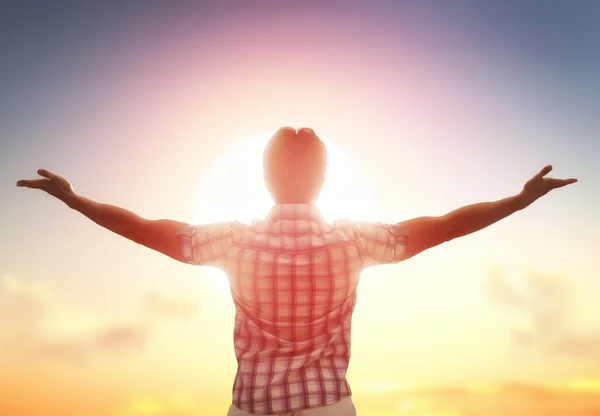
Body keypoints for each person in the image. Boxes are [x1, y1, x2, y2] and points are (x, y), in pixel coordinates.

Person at [17, 126, 577, 416]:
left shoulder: (233, 242)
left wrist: (76, 200)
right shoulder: (354, 241)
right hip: (330, 407)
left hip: (252, 407)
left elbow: (143, 226)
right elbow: (446, 223)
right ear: (324, 180)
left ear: (263, 179)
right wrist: (518, 201)